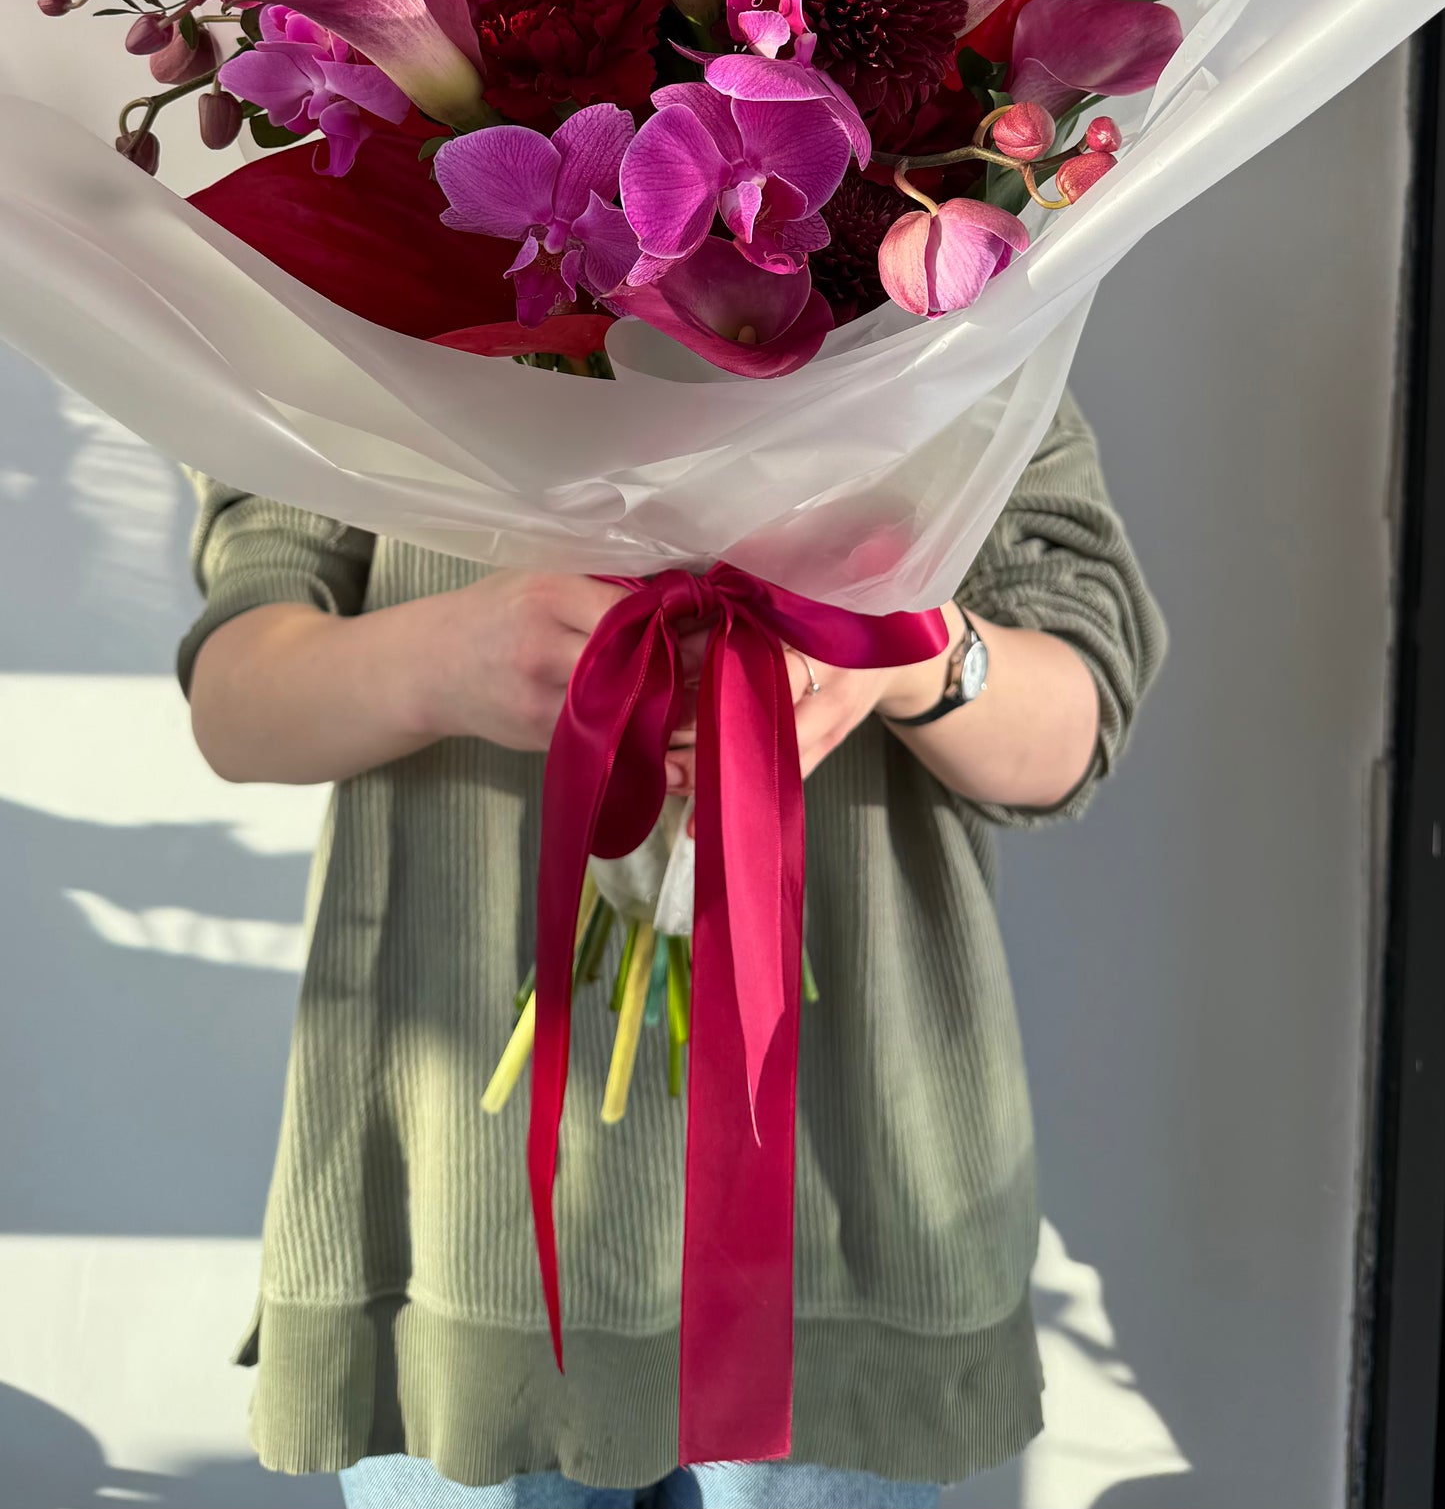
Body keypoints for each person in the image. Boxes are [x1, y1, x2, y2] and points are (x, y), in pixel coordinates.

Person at [178, 389, 1164, 1509]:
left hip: (837, 1216)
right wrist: (445, 657)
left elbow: (1075, 712)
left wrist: (907, 655)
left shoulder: (940, 302)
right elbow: (237, 692)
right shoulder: (353, 289)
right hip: (461, 1221)